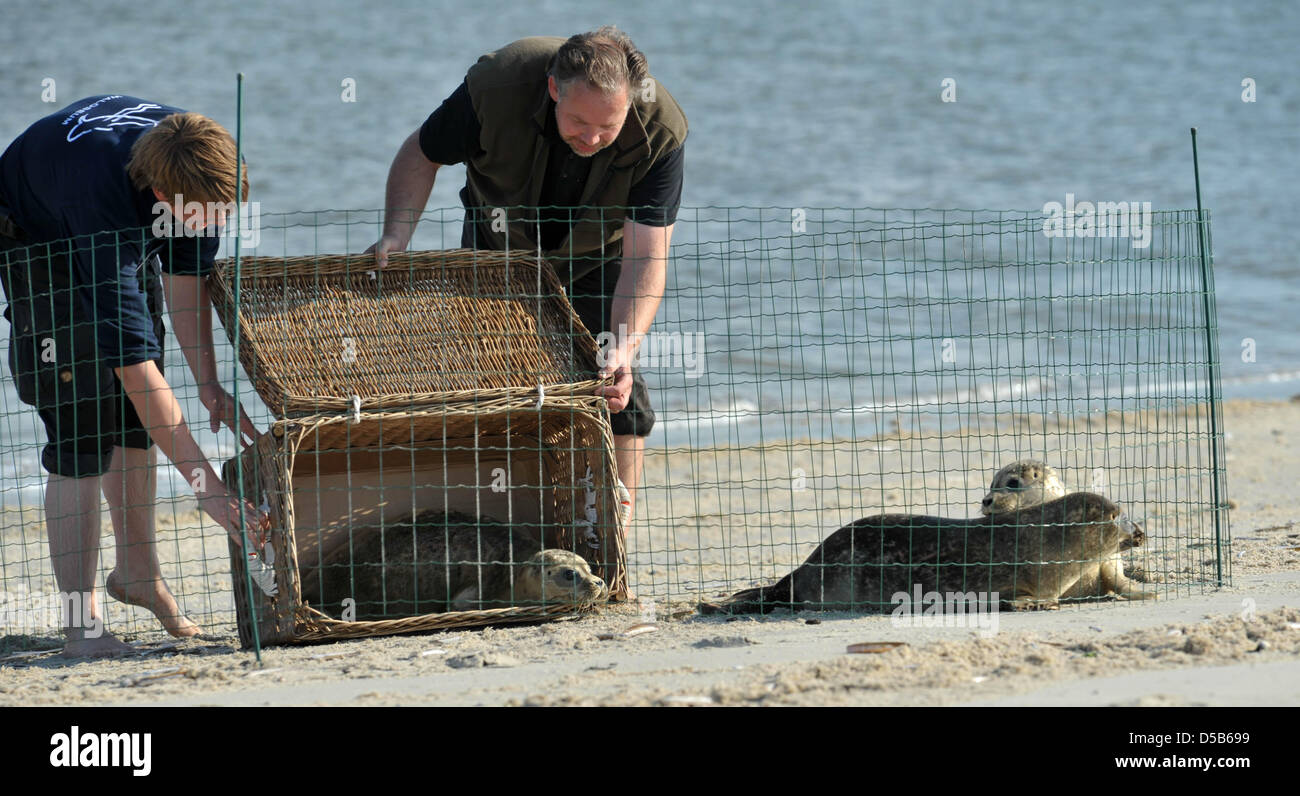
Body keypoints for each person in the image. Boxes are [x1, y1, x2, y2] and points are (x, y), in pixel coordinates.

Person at [368, 27, 688, 555]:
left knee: (619, 396)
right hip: (498, 250)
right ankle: (500, 539)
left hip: (597, 256)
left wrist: (624, 348)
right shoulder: (496, 86)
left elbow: (647, 255)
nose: (591, 138)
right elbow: (421, 154)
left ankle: (610, 546)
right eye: (579, 122)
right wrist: (397, 235)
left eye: (607, 126)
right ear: (554, 89)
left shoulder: (660, 130)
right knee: (494, 393)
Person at [0, 95, 269, 657]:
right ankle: (82, 628)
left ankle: (139, 574)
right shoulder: (102, 206)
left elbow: (186, 281)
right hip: (37, 231)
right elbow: (134, 368)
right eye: (207, 215)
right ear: (164, 198)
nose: (218, 224)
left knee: (134, 422)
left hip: (116, 212)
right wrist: (210, 493)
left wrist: (210, 384)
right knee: (82, 434)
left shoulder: (197, 165)